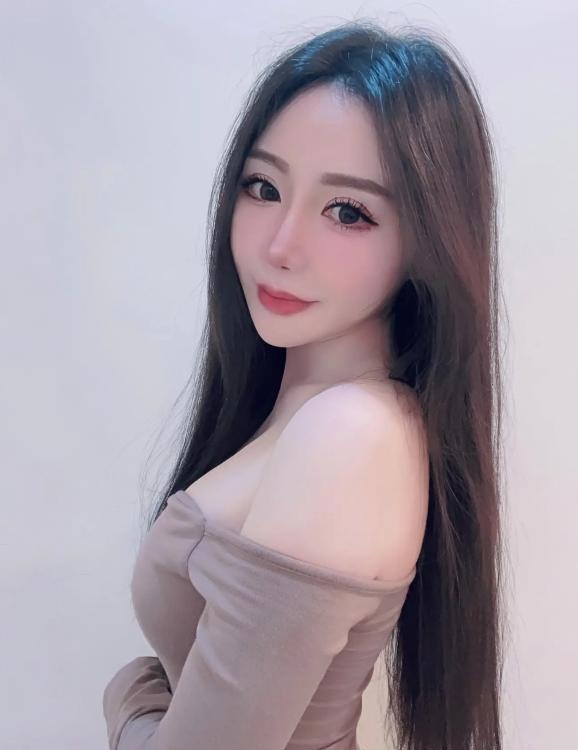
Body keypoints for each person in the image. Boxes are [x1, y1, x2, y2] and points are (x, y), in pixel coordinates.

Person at [103, 18, 507, 750]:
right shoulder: (306, 410)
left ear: (427, 242)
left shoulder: (348, 435)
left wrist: (127, 696)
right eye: (263, 187)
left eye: (347, 212)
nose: (281, 244)